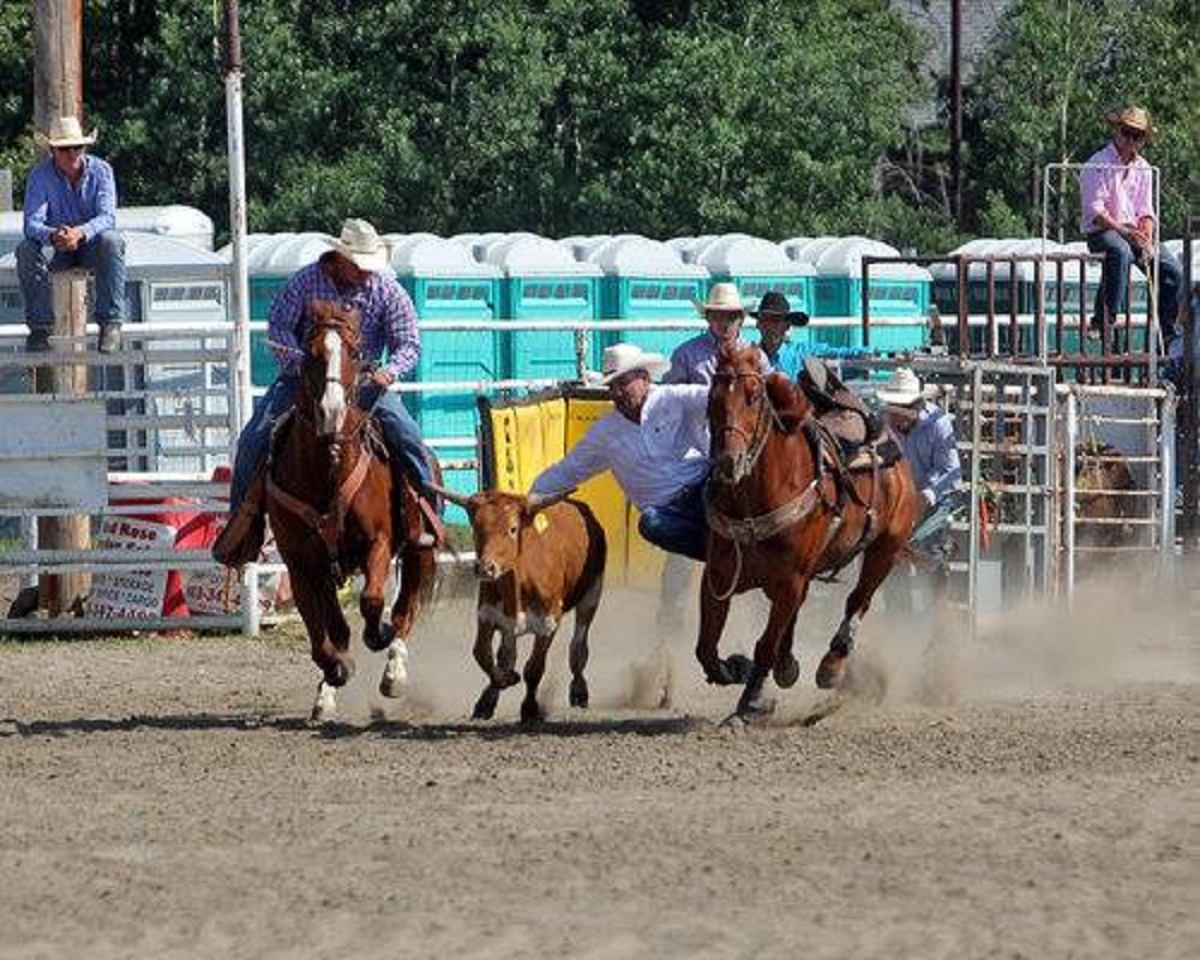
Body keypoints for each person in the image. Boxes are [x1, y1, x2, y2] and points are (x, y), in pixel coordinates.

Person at [213, 218, 439, 565]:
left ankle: (427, 514)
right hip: (304, 378)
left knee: (408, 437)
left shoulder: (385, 289)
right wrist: (303, 364)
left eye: (368, 266)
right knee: (254, 438)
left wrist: (389, 371)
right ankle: (244, 528)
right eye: (359, 266)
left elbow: (408, 342)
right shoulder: (305, 282)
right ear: (341, 258)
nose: (366, 273)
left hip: (364, 382)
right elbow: (279, 327)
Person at [531, 342, 711, 562]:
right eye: (612, 386)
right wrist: (530, 498)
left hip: (706, 488)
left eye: (623, 383)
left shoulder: (675, 398)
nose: (617, 392)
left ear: (645, 379)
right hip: (668, 514)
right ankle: (721, 553)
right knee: (651, 524)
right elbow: (568, 470)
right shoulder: (605, 433)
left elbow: (719, 396)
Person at [18, 115, 125, 354]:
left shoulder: (102, 171)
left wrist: (80, 232)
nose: (72, 153)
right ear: (54, 151)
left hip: (89, 246)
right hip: (56, 247)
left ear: (85, 148)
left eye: (78, 147)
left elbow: (107, 217)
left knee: (112, 241)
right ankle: (40, 328)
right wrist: (56, 235)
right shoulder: (39, 176)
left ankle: (110, 324)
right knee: (26, 249)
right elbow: (32, 223)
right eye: (65, 149)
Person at [1079, 106, 1183, 346]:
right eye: (1127, 132)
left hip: (1133, 231)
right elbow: (1095, 213)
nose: (1130, 139)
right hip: (1103, 230)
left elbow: (1146, 209)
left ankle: (1167, 331)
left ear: (1142, 139)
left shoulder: (1144, 168)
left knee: (1172, 270)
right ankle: (1104, 321)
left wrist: (1146, 232)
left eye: (1136, 135)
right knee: (1120, 251)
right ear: (1117, 131)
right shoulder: (1097, 164)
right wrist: (1125, 232)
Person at [877, 367, 962, 576]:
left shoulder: (938, 423)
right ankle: (897, 605)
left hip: (933, 497)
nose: (897, 419)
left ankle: (937, 602)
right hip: (897, 497)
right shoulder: (882, 420)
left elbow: (950, 470)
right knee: (890, 553)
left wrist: (925, 496)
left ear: (915, 404)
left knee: (931, 548)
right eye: (893, 409)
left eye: (901, 409)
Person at [662, 282, 767, 384]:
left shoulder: (758, 356)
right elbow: (670, 394)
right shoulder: (685, 355)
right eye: (718, 316)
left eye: (731, 317)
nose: (725, 323)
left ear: (741, 320)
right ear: (708, 318)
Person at [750, 289, 870, 378]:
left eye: (776, 321)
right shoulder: (749, 357)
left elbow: (836, 353)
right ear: (759, 325)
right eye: (766, 320)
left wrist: (867, 354)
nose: (770, 327)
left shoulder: (802, 352)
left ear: (786, 326)